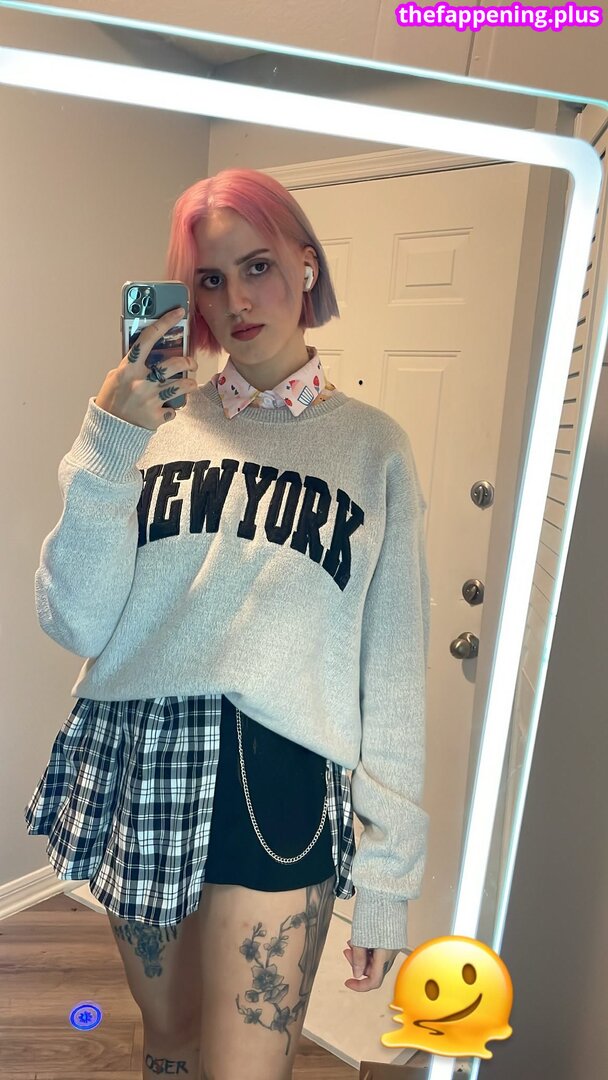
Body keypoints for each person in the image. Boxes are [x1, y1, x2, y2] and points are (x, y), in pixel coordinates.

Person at [24, 168, 430, 1080]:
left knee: (247, 1068)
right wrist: (109, 442)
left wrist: (388, 880)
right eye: (210, 279)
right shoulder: (148, 428)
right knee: (168, 1043)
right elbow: (74, 620)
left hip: (283, 774)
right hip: (144, 755)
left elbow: (394, 669)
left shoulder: (375, 449)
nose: (237, 300)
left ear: (306, 265)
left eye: (257, 266)